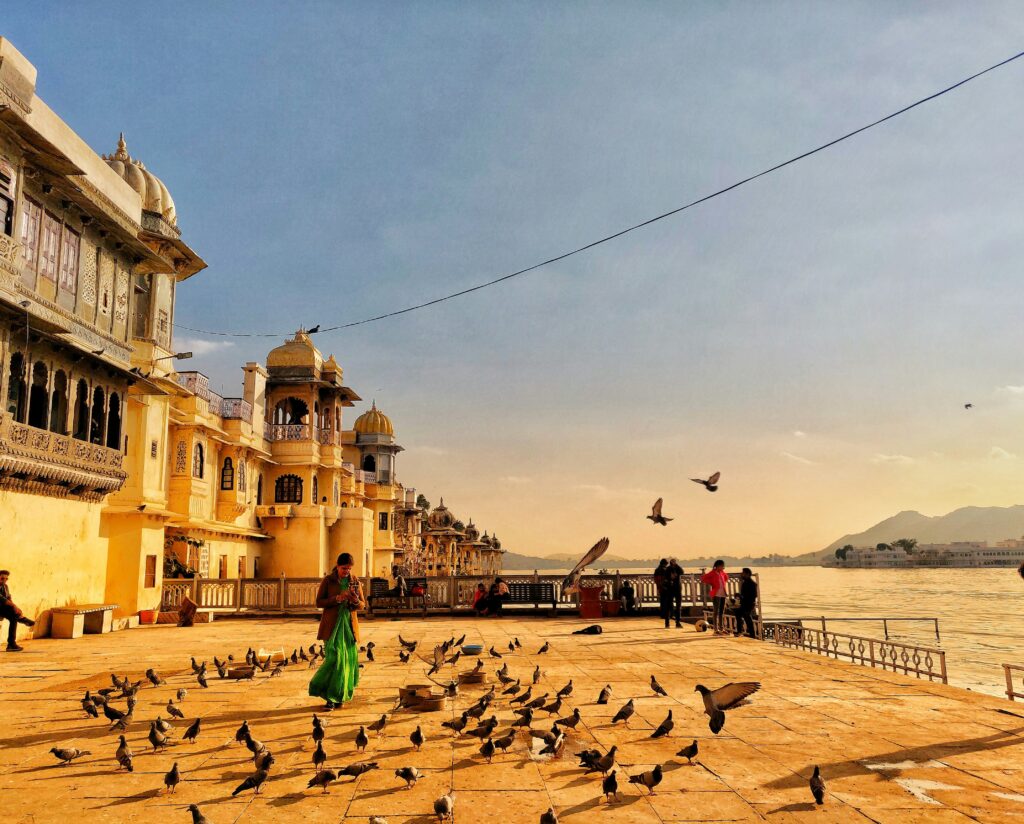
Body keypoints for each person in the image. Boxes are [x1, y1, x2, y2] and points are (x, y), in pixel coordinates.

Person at [309, 553, 365, 710]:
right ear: (337, 566)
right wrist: (338, 598)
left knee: (347, 662)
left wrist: (354, 600)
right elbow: (319, 602)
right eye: (343, 568)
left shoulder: (354, 581)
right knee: (335, 660)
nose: (346, 571)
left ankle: (338, 696)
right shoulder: (328, 581)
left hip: (348, 626)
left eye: (349, 568)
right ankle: (328, 695)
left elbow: (362, 604)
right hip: (332, 627)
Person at [0, 570, 35, 652]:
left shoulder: (5, 586)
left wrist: (16, 608)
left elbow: (8, 598)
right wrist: (14, 607)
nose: (4, 580)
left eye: (6, 579)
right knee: (13, 613)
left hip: (2, 609)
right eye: (2, 579)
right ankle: (22, 619)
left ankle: (11, 644)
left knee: (13, 617)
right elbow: (1, 599)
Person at [701, 560, 729, 635]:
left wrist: (722, 572)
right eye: (721, 566)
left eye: (723, 566)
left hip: (723, 594)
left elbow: (726, 578)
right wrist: (711, 582)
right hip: (716, 594)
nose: (723, 567)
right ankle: (715, 629)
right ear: (717, 566)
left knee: (721, 612)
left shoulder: (722, 573)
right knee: (716, 611)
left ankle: (721, 628)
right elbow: (704, 578)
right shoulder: (713, 573)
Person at [734, 568, 758, 638]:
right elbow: (744, 594)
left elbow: (753, 595)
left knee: (747, 617)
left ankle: (751, 634)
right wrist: (740, 596)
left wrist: (741, 596)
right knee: (740, 614)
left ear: (747, 574)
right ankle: (742, 631)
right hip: (745, 603)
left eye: (743, 573)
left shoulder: (752, 584)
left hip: (749, 604)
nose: (742, 574)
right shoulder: (745, 582)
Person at [653, 559, 671, 628]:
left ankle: (662, 614)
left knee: (662, 601)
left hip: (660, 587)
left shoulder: (657, 570)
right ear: (665, 564)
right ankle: (667, 615)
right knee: (667, 602)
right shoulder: (665, 570)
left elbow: (656, 579)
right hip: (666, 587)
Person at [666, 558, 684, 628]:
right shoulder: (668, 569)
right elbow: (666, 577)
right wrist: (670, 578)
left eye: (675, 562)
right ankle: (667, 623)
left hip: (678, 589)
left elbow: (682, 572)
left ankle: (678, 622)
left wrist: (677, 565)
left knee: (678, 606)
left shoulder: (677, 568)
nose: (673, 563)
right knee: (669, 606)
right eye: (672, 562)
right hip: (670, 589)